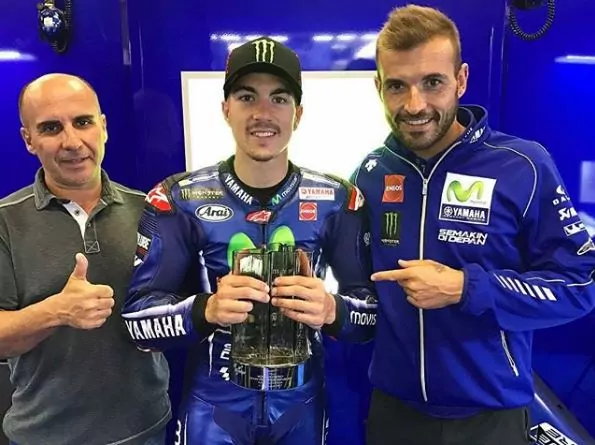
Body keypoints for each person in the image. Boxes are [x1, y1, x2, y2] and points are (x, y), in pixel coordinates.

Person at [350, 5, 595, 445]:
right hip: (393, 415)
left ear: (461, 80)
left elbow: (581, 285)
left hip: (490, 419)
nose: (415, 105)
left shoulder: (522, 165)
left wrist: (466, 287)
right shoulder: (371, 173)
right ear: (378, 87)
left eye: (433, 82)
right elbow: (357, 286)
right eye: (397, 86)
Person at [122, 36, 377, 445]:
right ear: (226, 108)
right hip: (213, 406)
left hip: (302, 404)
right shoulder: (177, 198)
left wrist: (332, 309)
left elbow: (373, 317)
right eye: (246, 97)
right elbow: (137, 323)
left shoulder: (338, 200)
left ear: (298, 113)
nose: (263, 113)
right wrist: (207, 309)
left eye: (279, 98)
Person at [0, 73, 171, 445]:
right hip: (43, 436)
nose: (72, 142)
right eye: (51, 128)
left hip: (145, 430)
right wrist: (56, 311)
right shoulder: (4, 221)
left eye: (82, 122)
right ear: (28, 139)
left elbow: (178, 310)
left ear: (103, 127)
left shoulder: (151, 211)